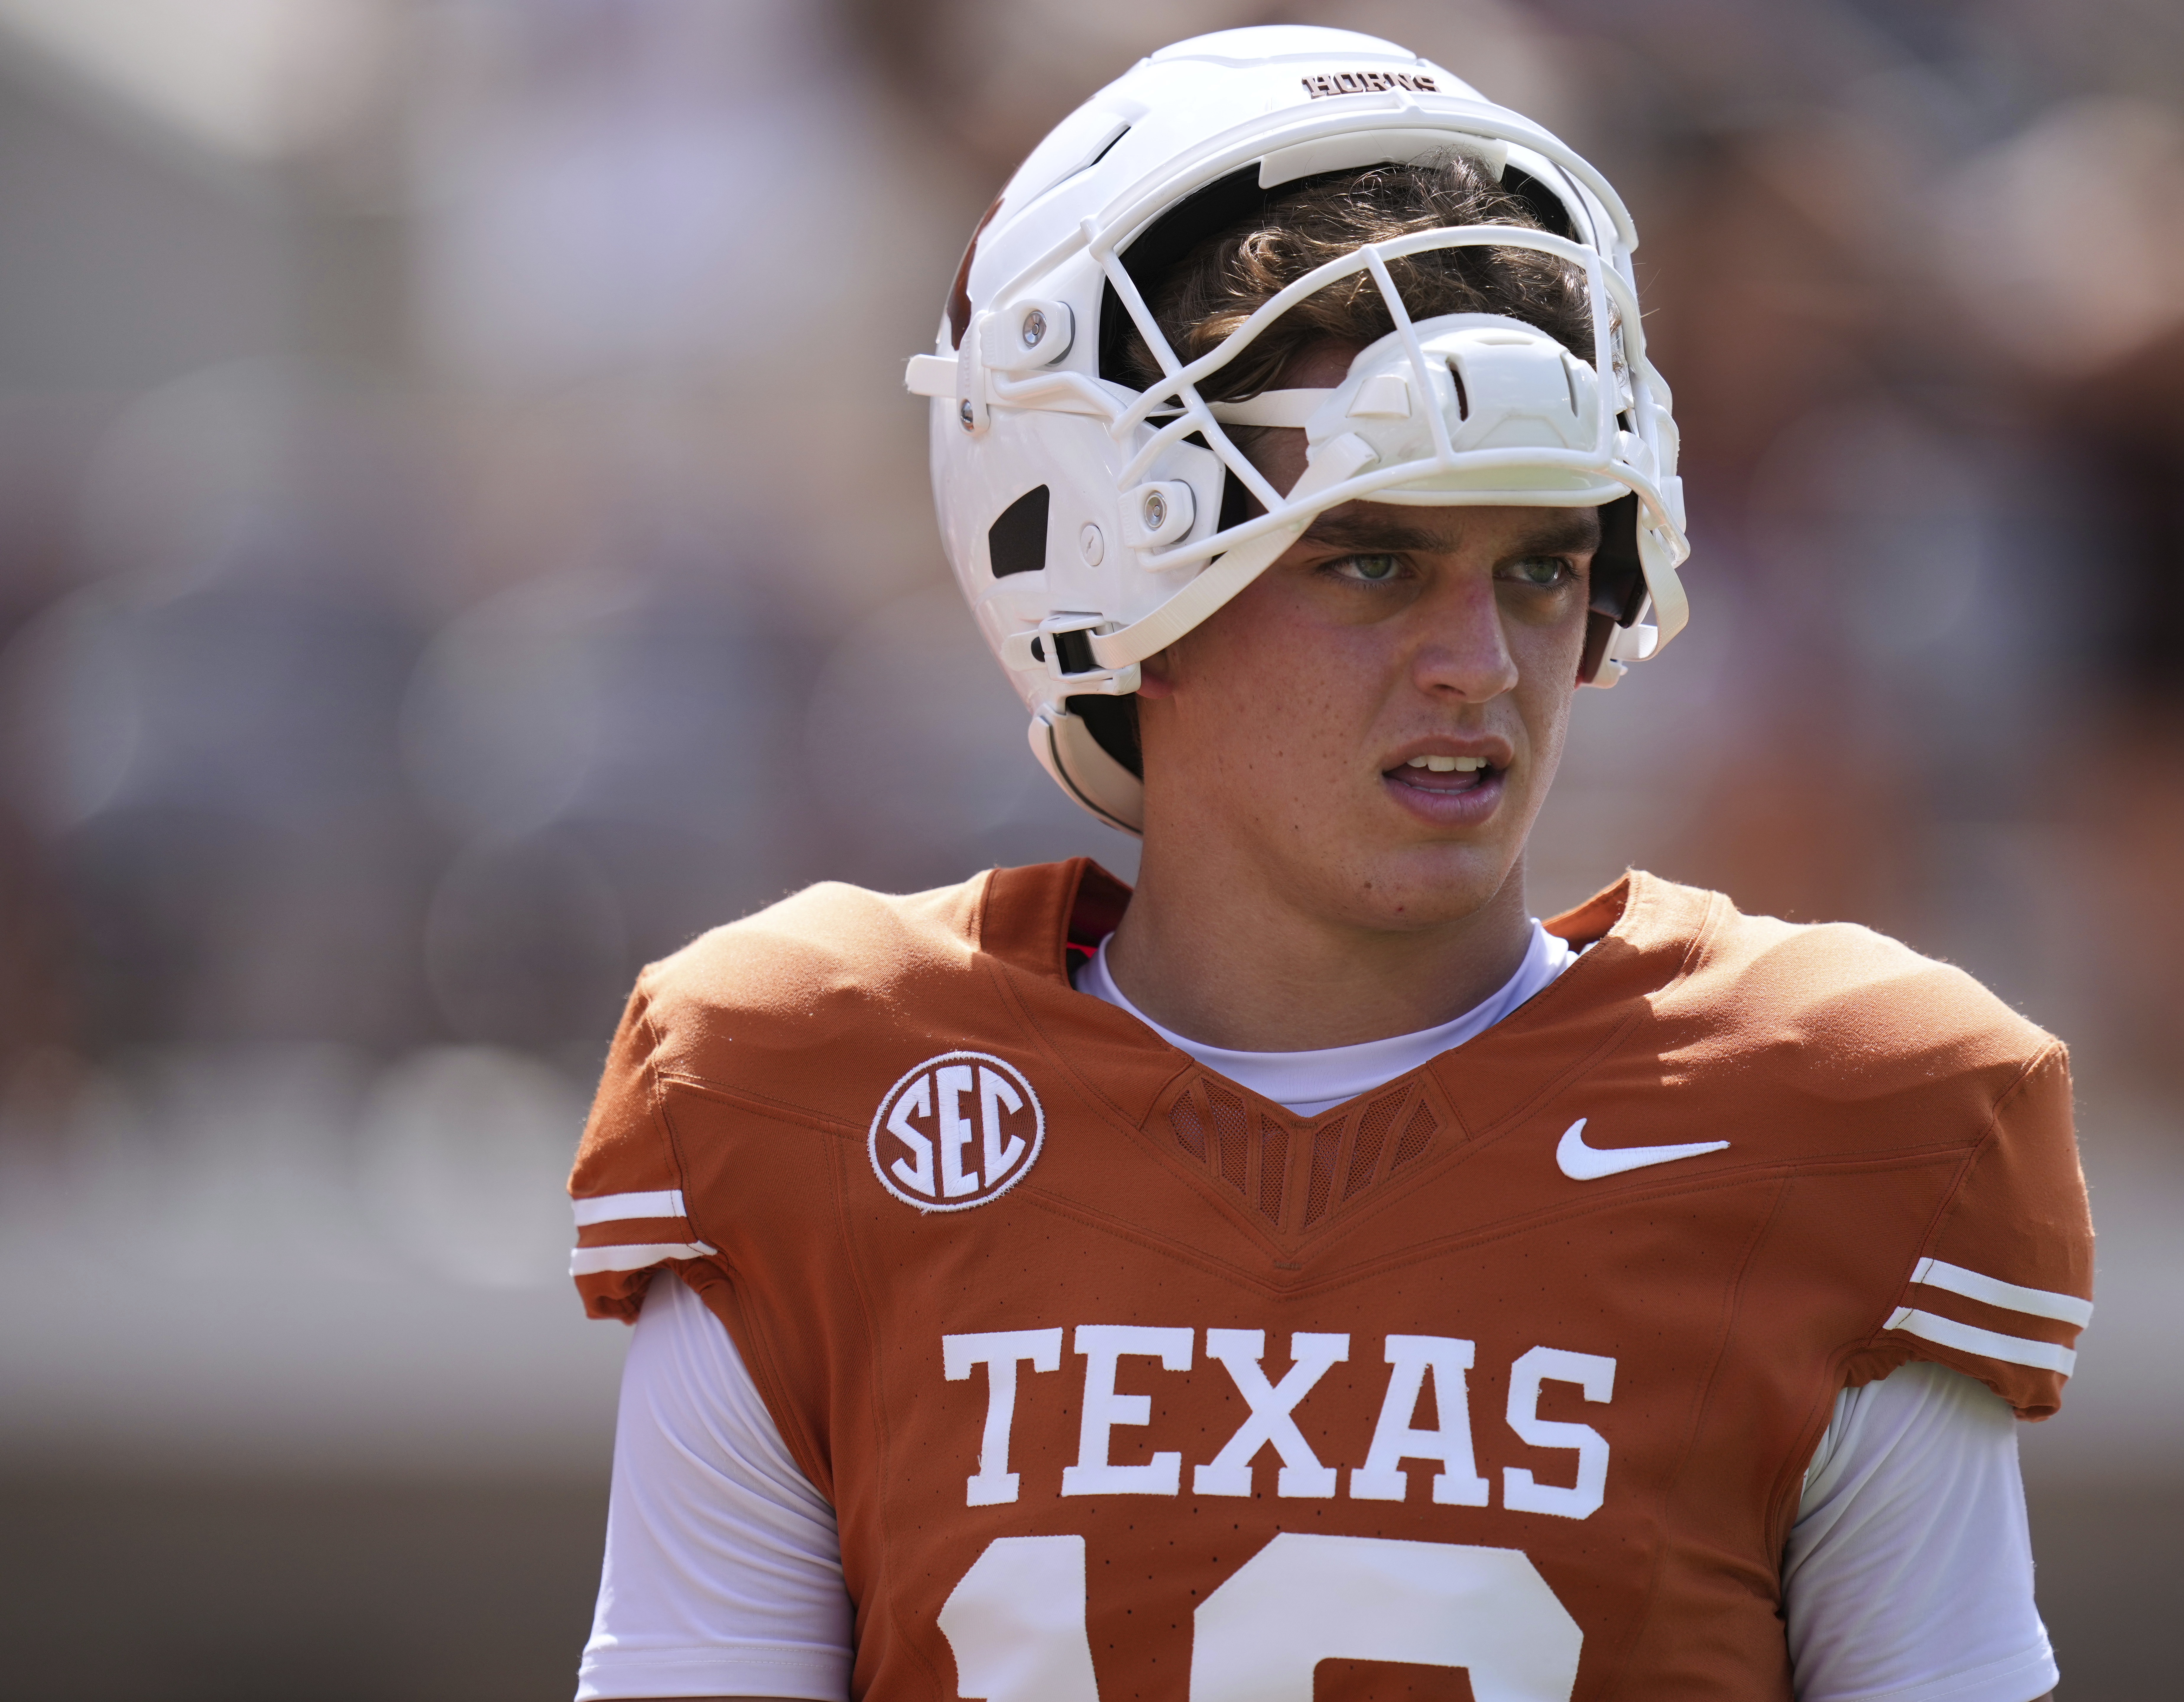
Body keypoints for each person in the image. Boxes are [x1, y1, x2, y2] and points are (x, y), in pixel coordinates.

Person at [564, 26, 2091, 1702]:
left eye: (1537, 567)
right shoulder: (810, 1094)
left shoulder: (1828, 1113)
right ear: (1117, 567)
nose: (1480, 663)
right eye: (1371, 560)